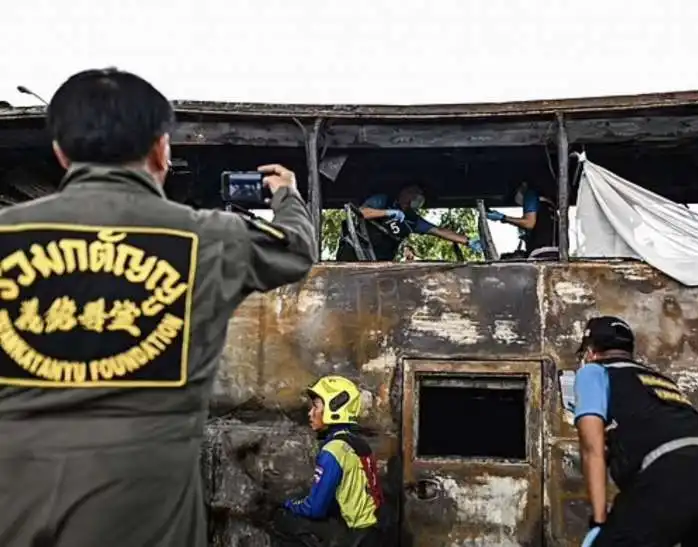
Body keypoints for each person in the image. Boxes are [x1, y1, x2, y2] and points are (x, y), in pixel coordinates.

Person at [0, 68, 316, 547]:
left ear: (60, 152)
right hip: (144, 520)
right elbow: (296, 249)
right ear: (161, 149)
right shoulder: (211, 237)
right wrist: (286, 195)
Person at [572, 316, 698, 547]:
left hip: (679, 472)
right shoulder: (657, 380)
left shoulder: (593, 372)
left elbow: (592, 449)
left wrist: (599, 522)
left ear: (590, 352)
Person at [274, 375, 383, 547]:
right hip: (373, 531)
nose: (310, 413)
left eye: (316, 406)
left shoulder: (334, 450)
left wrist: (288, 504)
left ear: (335, 408)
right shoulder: (358, 443)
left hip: (356, 536)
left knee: (282, 519)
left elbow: (315, 508)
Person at [336, 184, 482, 261]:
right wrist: (387, 212)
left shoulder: (412, 220)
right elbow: (362, 212)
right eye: (414, 192)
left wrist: (468, 241)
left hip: (379, 261)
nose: (417, 197)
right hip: (355, 251)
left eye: (419, 195)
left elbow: (438, 231)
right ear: (405, 192)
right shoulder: (384, 200)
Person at [485, 181, 558, 259]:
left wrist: (503, 218)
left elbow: (529, 223)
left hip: (541, 252)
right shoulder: (549, 205)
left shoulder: (530, 195)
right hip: (556, 252)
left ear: (523, 185)